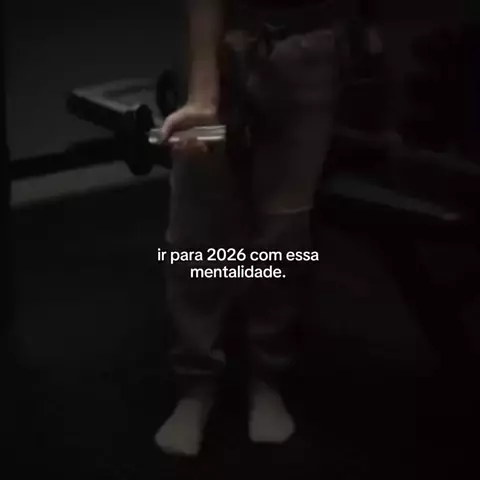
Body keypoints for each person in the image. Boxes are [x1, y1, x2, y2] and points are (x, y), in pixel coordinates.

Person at [155, 0, 361, 456]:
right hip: (217, 41)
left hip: (309, 42)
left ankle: (267, 378)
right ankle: (195, 385)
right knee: (196, 227)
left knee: (283, 232)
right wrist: (203, 96)